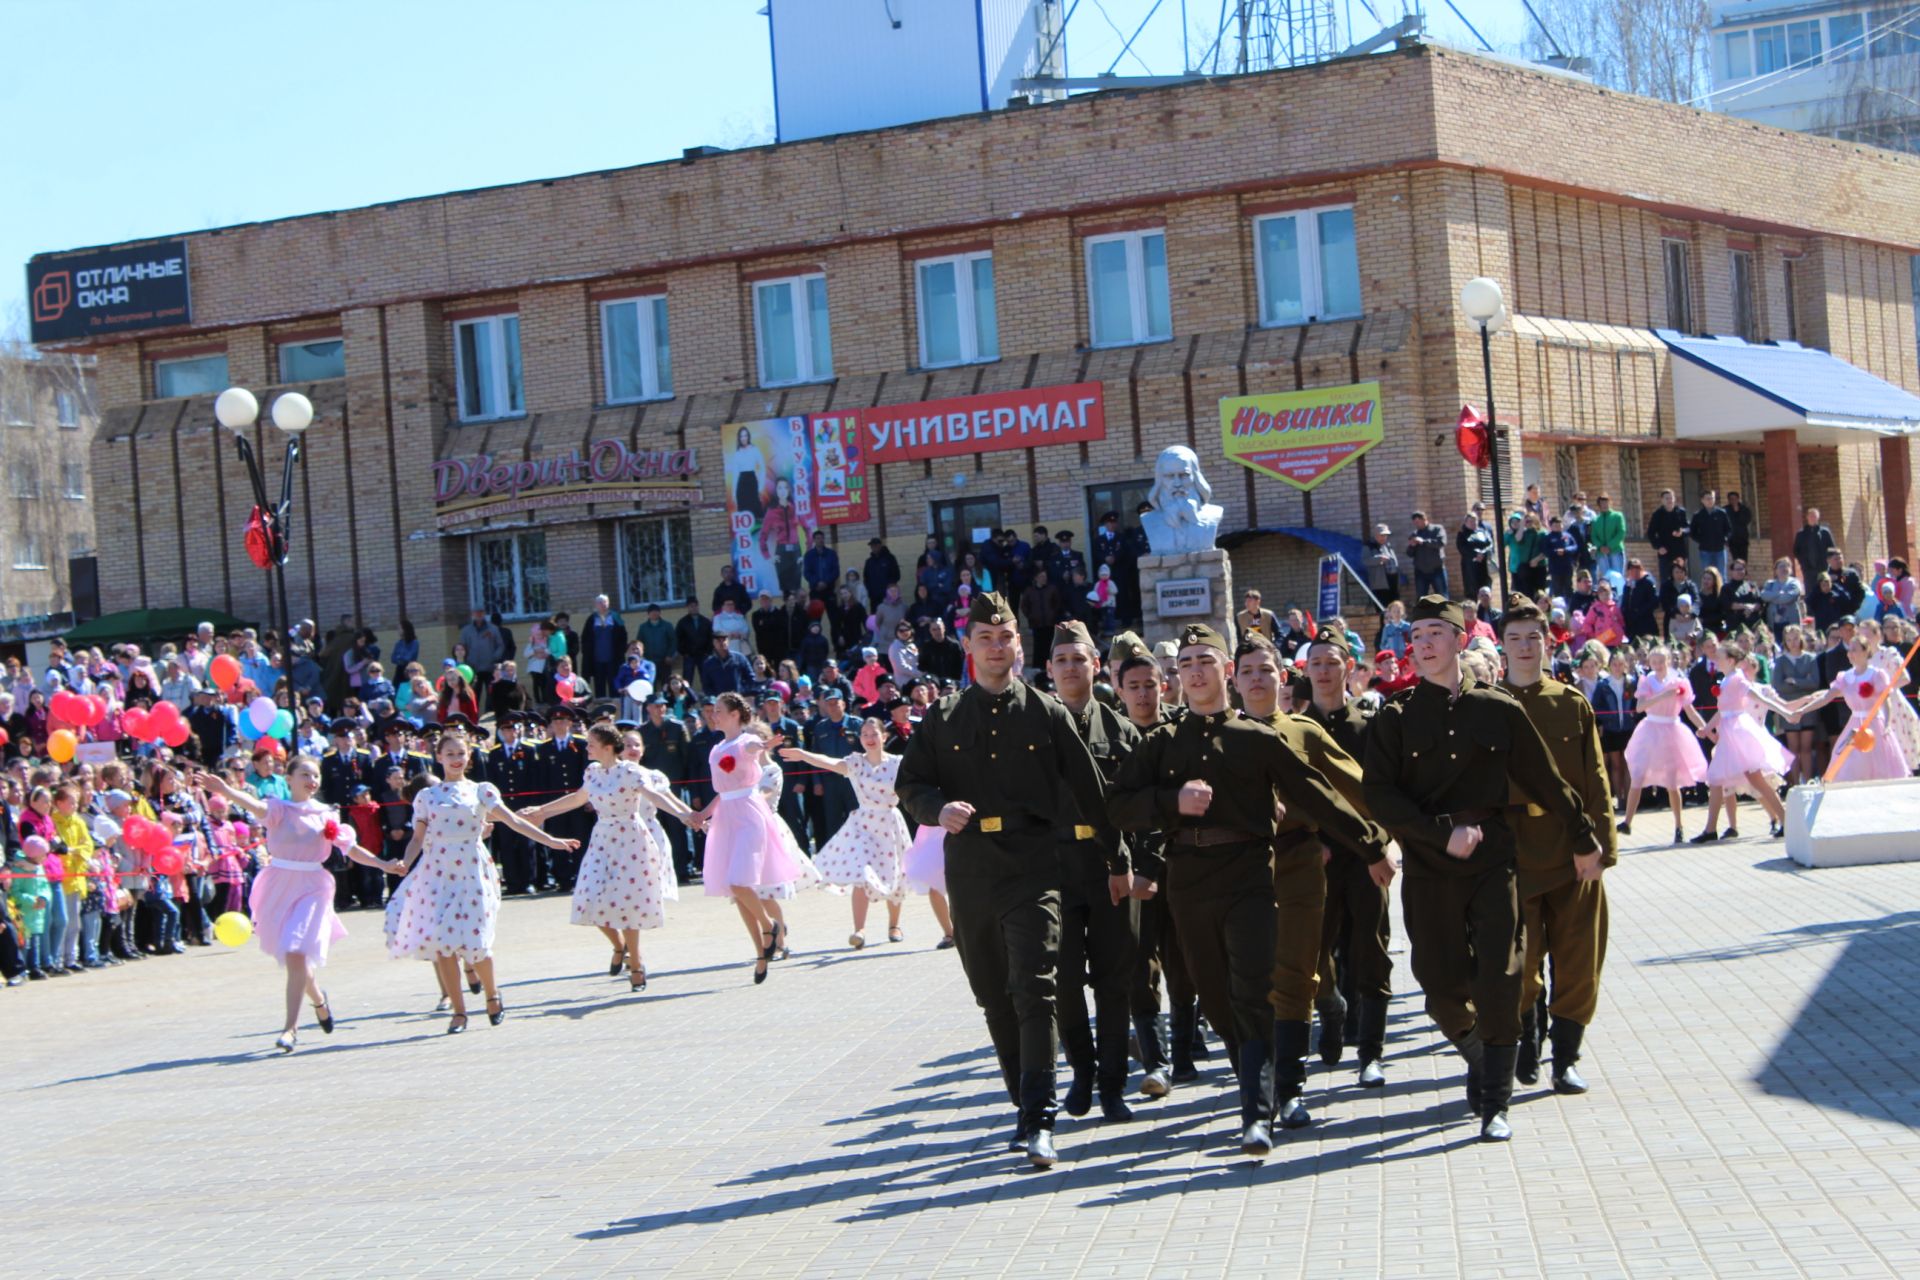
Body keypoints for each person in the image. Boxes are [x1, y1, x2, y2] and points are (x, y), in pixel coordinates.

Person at [1109, 623, 1374, 1156]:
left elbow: (1317, 794)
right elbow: (1116, 804)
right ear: (1177, 678)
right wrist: (1170, 802)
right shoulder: (1162, 743)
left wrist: (1373, 844)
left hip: (1251, 873)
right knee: (1216, 993)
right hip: (1188, 876)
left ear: (1225, 671)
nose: (1196, 671)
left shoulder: (1258, 739)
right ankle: (1264, 1079)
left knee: (1253, 989)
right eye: (1186, 665)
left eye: (1206, 660)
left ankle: (1255, 1113)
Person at [1361, 595, 1599, 1143]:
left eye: (1434, 633)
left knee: (1502, 974)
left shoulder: (1498, 709)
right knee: (1439, 981)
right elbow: (1380, 794)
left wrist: (1585, 839)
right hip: (1429, 863)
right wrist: (1438, 833)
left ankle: (1496, 1100)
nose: (1421, 643)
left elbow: (1546, 781)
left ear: (1459, 640)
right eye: (1415, 634)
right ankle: (1477, 1052)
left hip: (1494, 858)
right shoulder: (1396, 717)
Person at [897, 592, 1111, 1169]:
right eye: (986, 639)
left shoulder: (1046, 711)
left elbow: (1093, 793)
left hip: (1034, 864)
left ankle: (1040, 1120)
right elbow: (910, 784)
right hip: (970, 869)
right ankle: (1024, 1106)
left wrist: (1121, 860)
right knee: (994, 995)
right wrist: (935, 809)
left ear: (1019, 646)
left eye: (1007, 638)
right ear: (967, 646)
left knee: (1034, 988)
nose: (997, 647)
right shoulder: (944, 718)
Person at [192, 758, 402, 1052]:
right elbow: (254, 805)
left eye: (315, 775)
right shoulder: (279, 809)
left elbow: (351, 848)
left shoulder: (325, 814)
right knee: (297, 961)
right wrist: (227, 790)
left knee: (296, 950)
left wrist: (383, 865)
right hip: (278, 886)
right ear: (288, 778)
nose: (311, 779)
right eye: (304, 774)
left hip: (313, 887)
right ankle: (318, 1000)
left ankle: (290, 1029)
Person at [1498, 600, 1615, 1095]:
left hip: (1572, 851)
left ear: (1548, 643)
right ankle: (1528, 1035)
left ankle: (1566, 1056)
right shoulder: (1487, 706)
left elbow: (1595, 779)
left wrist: (1599, 848)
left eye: (1534, 638)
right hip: (1513, 854)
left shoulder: (1570, 703)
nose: (1526, 648)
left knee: (1577, 959)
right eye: (1516, 639)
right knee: (1519, 963)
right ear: (1503, 646)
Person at [388, 730, 577, 1033]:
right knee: (443, 945)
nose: (456, 759)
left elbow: (513, 820)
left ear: (469, 757)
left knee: (477, 942)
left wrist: (550, 840)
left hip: (472, 870)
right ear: (438, 757)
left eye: (461, 754)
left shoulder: (481, 791)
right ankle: (459, 1012)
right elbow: (417, 838)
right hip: (437, 874)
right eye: (449, 754)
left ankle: (492, 994)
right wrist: (404, 863)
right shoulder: (426, 797)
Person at [1042, 620, 1142, 1124]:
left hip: (1110, 867)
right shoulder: (1034, 727)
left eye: (1079, 659)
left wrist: (1135, 866)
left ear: (1096, 665)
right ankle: (1081, 1072)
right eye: (1061, 660)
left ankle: (1112, 1085)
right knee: (1062, 982)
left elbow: (1138, 807)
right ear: (1047, 669)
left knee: (1113, 980)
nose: (1070, 668)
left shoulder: (1120, 729)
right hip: (1056, 868)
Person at [525, 723, 695, 992]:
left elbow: (656, 797)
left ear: (607, 747)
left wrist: (685, 816)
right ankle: (619, 946)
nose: (587, 747)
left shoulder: (629, 771)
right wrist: (542, 811)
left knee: (626, 903)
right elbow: (578, 798)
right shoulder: (592, 772)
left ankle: (636, 964)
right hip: (602, 839)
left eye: (591, 743)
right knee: (587, 896)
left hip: (631, 839)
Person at [1296, 636, 1396, 1088]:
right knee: (1311, 951)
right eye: (1314, 663)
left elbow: (1386, 795)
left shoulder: (1368, 727)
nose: (1322, 671)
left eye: (1330, 662)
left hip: (1365, 858)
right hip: (1314, 858)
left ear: (1348, 667)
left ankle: (1370, 1052)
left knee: (1370, 950)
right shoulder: (1294, 728)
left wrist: (1381, 845)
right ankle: (1331, 1007)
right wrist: (1308, 841)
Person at [687, 692, 804, 984]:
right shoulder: (716, 748)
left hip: (750, 814)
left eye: (719, 711)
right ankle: (762, 950)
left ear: (736, 715)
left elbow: (753, 747)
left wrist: (764, 744)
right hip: (726, 815)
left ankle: (769, 925)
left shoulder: (744, 741)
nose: (714, 715)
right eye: (713, 711)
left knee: (740, 882)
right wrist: (704, 814)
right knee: (734, 889)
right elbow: (722, 792)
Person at [782, 718, 912, 948]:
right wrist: (803, 754)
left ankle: (894, 925)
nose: (869, 739)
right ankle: (859, 930)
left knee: (894, 875)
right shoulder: (855, 763)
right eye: (864, 735)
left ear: (883, 736)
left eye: (874, 734)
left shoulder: (897, 763)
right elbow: (830, 762)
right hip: (863, 824)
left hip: (889, 823)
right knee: (861, 874)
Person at [1697, 644, 1795, 841]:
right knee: (1716, 779)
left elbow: (1756, 696)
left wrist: (1785, 712)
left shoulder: (1737, 678)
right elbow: (1722, 710)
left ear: (1731, 661)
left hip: (1738, 732)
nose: (1716, 658)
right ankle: (1710, 829)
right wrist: (1708, 728)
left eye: (1721, 656)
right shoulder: (1726, 680)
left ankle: (1786, 821)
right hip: (1729, 732)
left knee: (1755, 778)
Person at [1617, 646, 1711, 843]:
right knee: (1638, 774)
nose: (1658, 665)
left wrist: (1705, 728)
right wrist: (1663, 695)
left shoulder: (1679, 681)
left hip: (1671, 729)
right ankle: (1627, 821)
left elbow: (1690, 710)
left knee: (1672, 781)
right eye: (1654, 662)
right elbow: (1640, 706)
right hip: (1651, 728)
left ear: (1668, 661)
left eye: (1661, 661)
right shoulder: (1647, 680)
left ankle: (1678, 826)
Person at [1793, 633, 1913, 781]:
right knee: (1847, 760)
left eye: (1854, 650)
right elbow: (1827, 697)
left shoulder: (1876, 674)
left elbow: (1885, 701)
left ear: (1865, 651)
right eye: (1849, 650)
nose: (1850, 654)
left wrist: (1887, 724)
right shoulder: (1845, 677)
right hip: (1855, 724)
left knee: (1879, 763)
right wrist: (1803, 710)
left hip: (1875, 723)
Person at [1771, 625, 1823, 785]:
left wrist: (1794, 681)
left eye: (1795, 638)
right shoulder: (1780, 661)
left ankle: (1807, 781)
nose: (1792, 642)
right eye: (1789, 639)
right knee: (1793, 747)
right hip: (1789, 708)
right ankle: (1795, 784)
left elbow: (1814, 683)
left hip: (1808, 709)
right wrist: (1803, 682)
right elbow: (1779, 685)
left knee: (1806, 747)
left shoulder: (1810, 658)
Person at [578, 596, 629, 700]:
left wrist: (621, 651)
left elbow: (623, 635)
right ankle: (601, 708)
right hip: (597, 659)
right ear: (596, 605)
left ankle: (616, 705)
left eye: (605, 602)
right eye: (600, 602)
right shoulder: (592, 619)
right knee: (599, 684)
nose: (603, 604)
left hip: (613, 658)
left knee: (614, 683)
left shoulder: (616, 617)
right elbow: (585, 638)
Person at [1645, 489, 1689, 585]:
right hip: (1665, 551)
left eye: (1671, 498)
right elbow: (1651, 533)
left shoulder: (1681, 512)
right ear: (1662, 500)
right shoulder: (1657, 514)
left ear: (1674, 499)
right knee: (1666, 579)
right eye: (1667, 498)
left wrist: (1682, 532)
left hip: (1679, 551)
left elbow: (1688, 528)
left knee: (1681, 578)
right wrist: (1658, 546)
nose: (1669, 500)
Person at [1689, 489, 1731, 583]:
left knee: (1721, 575)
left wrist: (1725, 539)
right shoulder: (1698, 515)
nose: (1710, 500)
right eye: (1707, 499)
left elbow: (1729, 529)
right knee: (1707, 575)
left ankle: (1722, 596)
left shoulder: (1721, 513)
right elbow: (1692, 532)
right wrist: (1702, 540)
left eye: (1712, 498)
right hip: (1705, 550)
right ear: (1702, 500)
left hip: (1720, 549)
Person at [1405, 511, 1448, 597]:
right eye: (1414, 523)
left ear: (1425, 519)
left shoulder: (1437, 529)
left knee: (1442, 596)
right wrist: (1412, 546)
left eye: (1418, 522)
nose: (1416, 524)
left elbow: (1441, 543)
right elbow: (1409, 554)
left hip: (1437, 569)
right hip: (1420, 572)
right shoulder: (1414, 534)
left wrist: (1423, 542)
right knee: (1422, 598)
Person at [1793, 507, 1836, 588]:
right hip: (1808, 569)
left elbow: (1832, 549)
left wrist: (1828, 560)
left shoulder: (1824, 532)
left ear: (1818, 517)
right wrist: (1802, 562)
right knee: (1810, 591)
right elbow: (1796, 551)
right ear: (1807, 517)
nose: (1813, 518)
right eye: (1811, 516)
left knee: (1824, 589)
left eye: (1815, 516)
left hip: (1823, 568)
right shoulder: (1801, 534)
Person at [1588, 493, 1626, 584]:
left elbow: (1621, 532)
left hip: (1615, 551)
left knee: (1617, 578)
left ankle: (1618, 598)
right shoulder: (1596, 520)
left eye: (1606, 502)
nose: (1604, 505)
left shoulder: (1617, 516)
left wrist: (1609, 546)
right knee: (1606, 579)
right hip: (1601, 554)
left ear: (1610, 503)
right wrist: (1600, 547)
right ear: (1599, 505)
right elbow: (1593, 536)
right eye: (1602, 503)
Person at [803, 530, 840, 601]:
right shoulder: (808, 555)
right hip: (815, 590)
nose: (820, 540)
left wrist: (825, 582)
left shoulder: (831, 554)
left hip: (829, 589)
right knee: (815, 612)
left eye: (822, 538)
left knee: (833, 612)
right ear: (814, 540)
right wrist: (817, 583)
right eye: (818, 538)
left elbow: (836, 571)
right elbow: (807, 573)